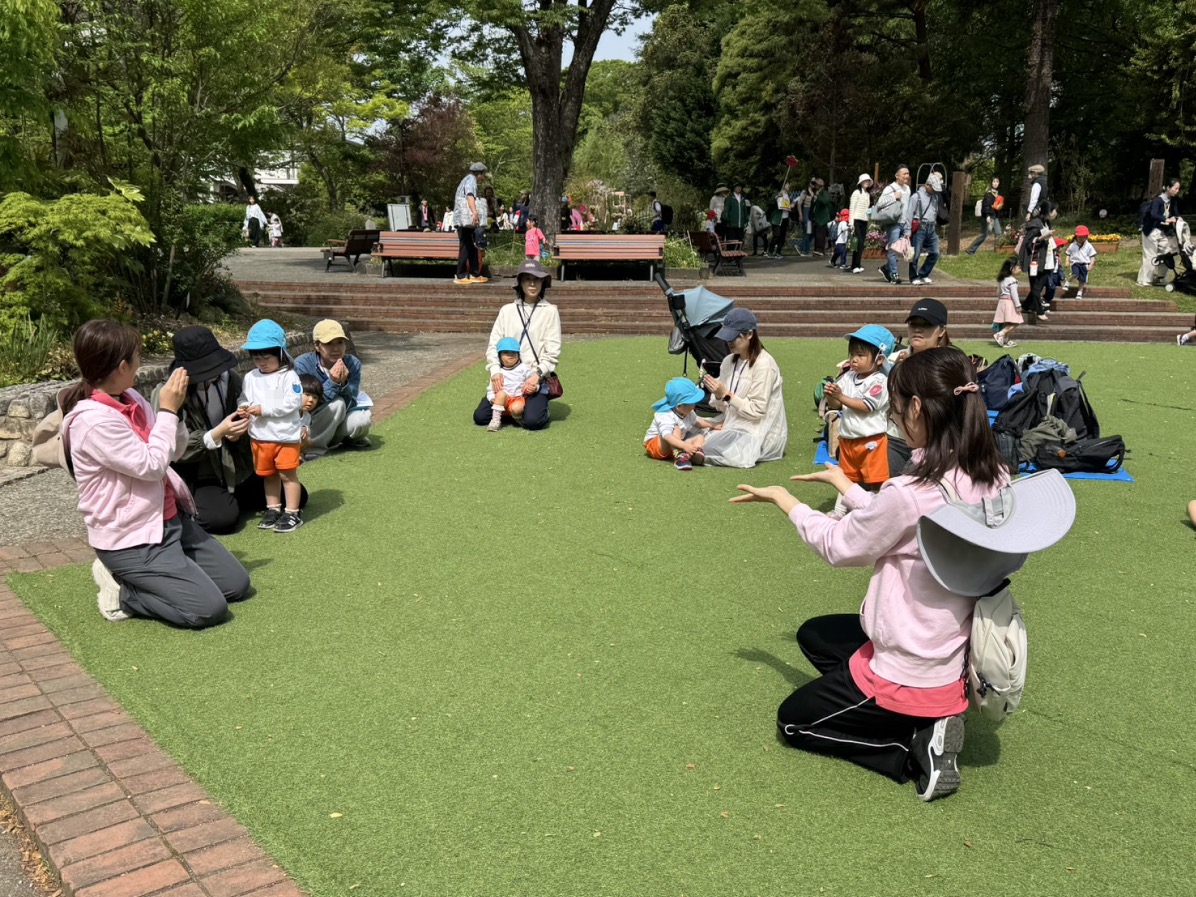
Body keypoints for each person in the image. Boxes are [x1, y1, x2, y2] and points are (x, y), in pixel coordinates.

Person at [731, 347, 1013, 802]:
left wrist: (787, 501)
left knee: (794, 722)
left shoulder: (913, 491)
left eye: (896, 407)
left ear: (917, 407)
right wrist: (847, 486)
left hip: (911, 665)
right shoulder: (992, 474)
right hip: (951, 647)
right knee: (815, 635)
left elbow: (841, 545)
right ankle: (925, 716)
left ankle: (912, 745)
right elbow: (902, 521)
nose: (893, 417)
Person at [62, 319, 251, 628]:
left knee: (236, 585)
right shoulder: (92, 422)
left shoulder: (132, 398)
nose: (141, 363)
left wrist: (174, 413)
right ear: (122, 366)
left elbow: (173, 451)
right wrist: (168, 410)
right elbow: (151, 466)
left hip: (169, 520)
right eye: (138, 356)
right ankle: (123, 591)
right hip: (131, 538)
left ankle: (169, 575)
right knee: (208, 609)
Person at [150, 327, 308, 535]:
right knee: (221, 520)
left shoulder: (231, 379)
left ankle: (232, 499)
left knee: (297, 496)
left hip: (235, 466)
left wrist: (239, 432)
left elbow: (253, 412)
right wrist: (218, 433)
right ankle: (199, 502)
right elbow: (170, 446)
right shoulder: (168, 392)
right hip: (200, 471)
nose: (211, 375)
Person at [472, 259, 562, 431]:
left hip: (533, 378)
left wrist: (536, 375)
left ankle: (531, 408)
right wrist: (495, 371)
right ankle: (514, 408)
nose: (532, 284)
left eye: (536, 279)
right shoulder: (507, 310)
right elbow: (493, 344)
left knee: (533, 422)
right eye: (527, 279)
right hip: (508, 377)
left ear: (543, 283)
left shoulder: (550, 311)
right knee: (480, 417)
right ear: (520, 283)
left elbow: (553, 351)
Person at [697, 307, 788, 468]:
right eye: (727, 337)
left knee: (706, 446)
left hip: (757, 431)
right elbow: (723, 408)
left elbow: (757, 411)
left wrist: (726, 394)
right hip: (732, 423)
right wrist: (717, 395)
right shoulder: (728, 361)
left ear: (750, 334)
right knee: (687, 429)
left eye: (734, 337)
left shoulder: (764, 364)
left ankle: (695, 453)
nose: (729, 342)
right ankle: (693, 450)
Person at [238, 320, 305, 534]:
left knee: (287, 475)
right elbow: (245, 398)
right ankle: (273, 508)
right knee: (269, 475)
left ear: (280, 353)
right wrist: (243, 408)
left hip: (285, 437)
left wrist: (264, 409)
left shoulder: (288, 376)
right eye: (256, 358)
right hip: (260, 436)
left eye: (266, 357)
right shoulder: (250, 377)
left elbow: (293, 402)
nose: (261, 362)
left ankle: (292, 512)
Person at [824, 326, 895, 504]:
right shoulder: (849, 376)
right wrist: (832, 396)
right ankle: (840, 511)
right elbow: (836, 405)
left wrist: (840, 396)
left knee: (876, 482)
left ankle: (877, 510)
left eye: (861, 355)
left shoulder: (880, 381)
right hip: (848, 439)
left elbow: (866, 406)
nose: (854, 360)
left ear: (879, 359)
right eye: (852, 354)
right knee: (846, 480)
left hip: (872, 441)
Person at [886, 298, 952, 475]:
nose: (917, 329)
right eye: (913, 324)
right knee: (893, 487)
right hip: (897, 437)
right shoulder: (894, 359)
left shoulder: (950, 362)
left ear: (941, 330)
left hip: (935, 441)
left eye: (926, 325)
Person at [294, 319, 373, 457]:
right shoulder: (302, 364)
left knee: (362, 421)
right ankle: (313, 448)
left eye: (340, 342)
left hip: (339, 416)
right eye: (328, 344)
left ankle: (342, 439)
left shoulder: (352, 363)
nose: (336, 349)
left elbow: (351, 402)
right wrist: (333, 383)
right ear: (317, 346)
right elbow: (305, 404)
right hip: (311, 421)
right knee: (337, 404)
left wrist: (343, 385)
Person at [643, 377, 722, 470]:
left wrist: (713, 425)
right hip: (657, 447)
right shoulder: (666, 415)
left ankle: (693, 453)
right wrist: (685, 446)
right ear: (679, 406)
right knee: (675, 428)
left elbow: (698, 421)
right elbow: (667, 436)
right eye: (692, 403)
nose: (694, 405)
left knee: (699, 436)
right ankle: (680, 456)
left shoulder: (688, 412)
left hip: (676, 445)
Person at [1018, 200, 1058, 322]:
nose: (1056, 213)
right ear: (1049, 212)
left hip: (1046, 260)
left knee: (1039, 286)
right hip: (1035, 260)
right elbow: (1028, 243)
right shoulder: (1035, 225)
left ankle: (1026, 306)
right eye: (1054, 210)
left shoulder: (1046, 223)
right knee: (1036, 286)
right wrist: (1042, 238)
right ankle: (1040, 311)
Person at [1139, 178, 1182, 287]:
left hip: (1162, 231)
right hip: (1150, 231)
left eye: (1178, 189)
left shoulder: (1173, 200)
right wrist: (1166, 219)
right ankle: (1144, 280)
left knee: (1167, 253)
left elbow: (1176, 213)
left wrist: (1179, 219)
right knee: (1151, 255)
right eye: (1175, 188)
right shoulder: (1157, 200)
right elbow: (1153, 214)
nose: (1177, 191)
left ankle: (1161, 278)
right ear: (1168, 188)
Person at [486, 337, 535, 432]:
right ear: (499, 356)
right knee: (500, 394)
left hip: (517, 399)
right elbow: (490, 389)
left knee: (517, 408)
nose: (510, 355)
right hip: (502, 402)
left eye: (513, 352)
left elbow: (533, 382)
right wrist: (492, 398)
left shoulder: (524, 368)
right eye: (506, 352)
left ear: (518, 355)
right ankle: (495, 420)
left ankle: (517, 418)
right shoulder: (498, 372)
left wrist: (534, 387)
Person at [453, 161, 488, 285]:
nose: (483, 177)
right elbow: (469, 196)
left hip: (464, 220)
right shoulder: (471, 180)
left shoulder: (466, 179)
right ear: (479, 173)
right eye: (483, 174)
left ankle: (474, 273)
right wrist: (475, 212)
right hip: (464, 220)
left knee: (472, 246)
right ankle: (461, 275)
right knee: (466, 246)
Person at [906, 172, 943, 285]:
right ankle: (913, 277)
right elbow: (909, 214)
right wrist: (907, 231)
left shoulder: (935, 197)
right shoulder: (916, 197)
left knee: (935, 252)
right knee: (915, 254)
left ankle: (924, 274)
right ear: (927, 185)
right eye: (933, 188)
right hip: (920, 227)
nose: (935, 191)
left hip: (931, 227)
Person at [877, 166, 912, 284]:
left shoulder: (907, 189)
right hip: (893, 223)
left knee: (900, 250)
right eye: (904, 174)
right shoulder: (890, 188)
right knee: (893, 249)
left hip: (904, 223)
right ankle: (894, 275)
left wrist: (908, 224)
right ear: (897, 175)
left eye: (908, 174)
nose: (907, 176)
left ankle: (886, 268)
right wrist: (893, 197)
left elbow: (908, 207)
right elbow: (879, 203)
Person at [966, 178, 1003, 254]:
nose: (995, 183)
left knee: (998, 232)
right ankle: (971, 249)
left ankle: (998, 251)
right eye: (994, 181)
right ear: (991, 183)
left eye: (997, 182)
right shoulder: (988, 194)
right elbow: (986, 206)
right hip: (988, 216)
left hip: (995, 216)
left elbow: (997, 206)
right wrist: (987, 216)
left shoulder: (998, 195)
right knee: (984, 234)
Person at [993, 257, 1024, 348]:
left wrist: (1000, 300)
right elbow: (1014, 294)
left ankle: (1006, 340)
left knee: (1006, 323)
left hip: (1002, 301)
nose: (1020, 269)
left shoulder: (1002, 279)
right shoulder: (1012, 281)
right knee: (1016, 321)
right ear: (1012, 268)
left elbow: (998, 292)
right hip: (1009, 302)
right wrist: (1018, 305)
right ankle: (1000, 334)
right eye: (1018, 267)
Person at [1063, 225, 1096, 299]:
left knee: (1082, 280)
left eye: (1084, 237)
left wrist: (1091, 265)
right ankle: (1068, 282)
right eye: (1080, 237)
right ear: (1076, 236)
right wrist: (1067, 261)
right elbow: (1068, 254)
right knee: (1075, 274)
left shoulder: (1088, 246)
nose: (1081, 239)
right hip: (1075, 263)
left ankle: (1079, 292)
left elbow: (1092, 256)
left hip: (1084, 264)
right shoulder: (1072, 245)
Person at [849, 174, 873, 273]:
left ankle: (857, 264)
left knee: (861, 243)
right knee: (857, 243)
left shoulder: (867, 194)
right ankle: (854, 265)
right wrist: (851, 223)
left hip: (864, 220)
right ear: (861, 182)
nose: (866, 183)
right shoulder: (856, 192)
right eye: (865, 181)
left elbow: (867, 209)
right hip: (856, 220)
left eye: (868, 181)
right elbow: (852, 208)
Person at [766, 184, 792, 259]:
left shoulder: (789, 195)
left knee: (782, 236)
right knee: (776, 235)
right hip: (777, 218)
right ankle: (770, 251)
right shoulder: (778, 193)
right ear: (784, 186)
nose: (789, 186)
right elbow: (770, 203)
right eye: (787, 184)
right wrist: (776, 197)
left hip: (785, 218)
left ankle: (778, 252)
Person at [810, 179, 833, 255]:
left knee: (821, 234)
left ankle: (820, 250)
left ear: (820, 185)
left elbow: (825, 201)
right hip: (817, 217)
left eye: (816, 184)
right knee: (817, 234)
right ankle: (817, 249)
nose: (815, 186)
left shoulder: (825, 193)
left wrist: (818, 197)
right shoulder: (816, 193)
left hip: (822, 217)